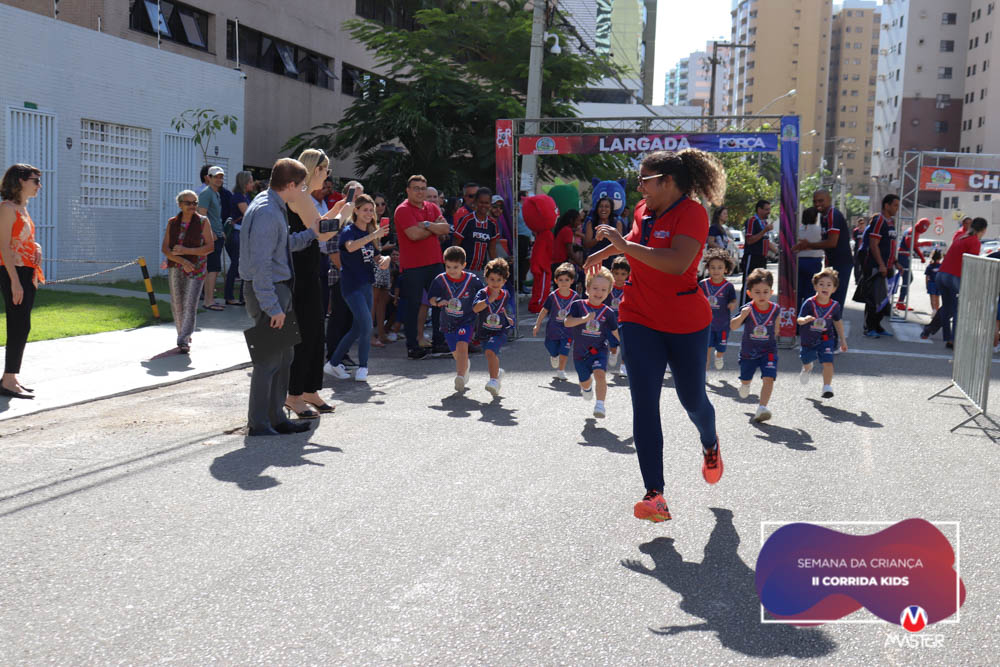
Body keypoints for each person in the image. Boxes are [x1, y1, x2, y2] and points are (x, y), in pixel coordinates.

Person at [583, 148, 725, 523]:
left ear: (669, 182)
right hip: (638, 315)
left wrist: (625, 246)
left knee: (691, 399)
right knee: (644, 402)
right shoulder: (643, 211)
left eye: (646, 179)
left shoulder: (693, 214)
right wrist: (601, 252)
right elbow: (631, 243)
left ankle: (709, 443)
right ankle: (654, 495)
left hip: (685, 321)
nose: (640, 186)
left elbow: (677, 262)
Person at [239, 157, 336, 436]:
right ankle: (260, 423)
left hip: (278, 289)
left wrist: (311, 234)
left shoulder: (270, 204)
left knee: (284, 357)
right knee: (269, 360)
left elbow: (283, 246)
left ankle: (276, 418)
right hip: (270, 292)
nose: (304, 191)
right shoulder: (268, 212)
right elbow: (261, 265)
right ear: (291, 184)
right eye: (302, 186)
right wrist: (272, 306)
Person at [325, 193, 391, 381]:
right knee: (367, 326)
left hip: (366, 285)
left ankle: (333, 363)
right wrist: (374, 235)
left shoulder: (371, 234)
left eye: (371, 210)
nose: (369, 213)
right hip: (351, 285)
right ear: (356, 211)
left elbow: (377, 257)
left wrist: (384, 260)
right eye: (365, 210)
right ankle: (363, 367)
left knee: (357, 328)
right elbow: (350, 247)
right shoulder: (349, 230)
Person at [0, 163, 45, 399]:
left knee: (23, 324)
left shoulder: (22, 208)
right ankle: (8, 380)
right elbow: (4, 247)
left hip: (26, 271)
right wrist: (15, 281)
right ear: (20, 181)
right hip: (13, 272)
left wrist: (36, 246)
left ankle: (11, 377)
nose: (39, 185)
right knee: (18, 324)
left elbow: (23, 238)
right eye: (35, 180)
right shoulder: (7, 208)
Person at [395, 175, 451, 359]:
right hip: (413, 266)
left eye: (422, 188)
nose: (420, 191)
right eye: (416, 188)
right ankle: (413, 346)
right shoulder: (402, 210)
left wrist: (426, 224)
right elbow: (413, 235)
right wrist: (434, 227)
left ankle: (439, 342)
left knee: (441, 302)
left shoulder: (432, 207)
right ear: (408, 190)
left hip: (435, 262)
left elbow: (446, 229)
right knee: (413, 307)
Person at [921, 217, 988, 348]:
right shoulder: (974, 241)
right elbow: (971, 264)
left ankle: (945, 336)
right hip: (955, 277)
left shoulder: (961, 237)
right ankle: (953, 339)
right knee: (957, 309)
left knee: (947, 308)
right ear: (984, 230)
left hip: (942, 274)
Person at [563, 266, 620, 419]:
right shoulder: (578, 305)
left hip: (599, 350)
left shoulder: (608, 313)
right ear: (587, 288)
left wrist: (628, 346)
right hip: (580, 353)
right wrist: (584, 319)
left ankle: (600, 405)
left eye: (603, 290)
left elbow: (615, 331)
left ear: (608, 292)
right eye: (595, 288)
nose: (598, 293)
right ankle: (586, 389)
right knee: (585, 382)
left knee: (600, 374)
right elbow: (567, 323)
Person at [161, 190, 214, 353]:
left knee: (190, 304)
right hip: (176, 266)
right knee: (177, 302)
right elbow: (166, 248)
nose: (192, 206)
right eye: (188, 203)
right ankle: (182, 333)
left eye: (195, 203)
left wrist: (186, 250)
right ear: (180, 204)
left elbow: (210, 247)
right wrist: (182, 261)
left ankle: (183, 339)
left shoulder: (203, 222)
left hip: (196, 268)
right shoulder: (172, 223)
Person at [428, 246, 484, 391]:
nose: (452, 270)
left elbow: (482, 294)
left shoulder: (472, 280)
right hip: (448, 321)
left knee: (462, 345)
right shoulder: (440, 280)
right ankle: (465, 366)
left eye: (456, 267)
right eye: (448, 266)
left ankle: (459, 376)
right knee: (455, 352)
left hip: (466, 320)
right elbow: (431, 298)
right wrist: (437, 301)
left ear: (463, 265)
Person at [731, 268, 779, 423]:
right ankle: (745, 384)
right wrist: (742, 316)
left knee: (769, 378)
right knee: (746, 380)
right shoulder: (747, 309)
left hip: (768, 351)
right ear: (750, 293)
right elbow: (732, 326)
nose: (761, 295)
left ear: (771, 292)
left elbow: (776, 330)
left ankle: (762, 407)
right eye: (757, 292)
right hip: (749, 352)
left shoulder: (775, 309)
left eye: (765, 291)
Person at [792, 190, 854, 309]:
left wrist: (808, 245)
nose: (817, 204)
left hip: (842, 263)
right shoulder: (824, 217)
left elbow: (832, 242)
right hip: (832, 263)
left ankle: (835, 327)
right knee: (828, 300)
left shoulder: (832, 214)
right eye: (815, 201)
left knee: (835, 301)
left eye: (821, 201)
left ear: (829, 200)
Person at [797, 268, 848, 398]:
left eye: (829, 285)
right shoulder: (809, 303)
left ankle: (827, 387)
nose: (825, 287)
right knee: (806, 360)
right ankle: (807, 368)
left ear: (834, 289)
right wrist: (805, 320)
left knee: (828, 362)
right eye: (821, 284)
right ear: (815, 286)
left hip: (826, 338)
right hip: (808, 339)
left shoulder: (835, 306)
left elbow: (837, 322)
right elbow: (799, 319)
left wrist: (842, 340)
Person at [858, 194, 901, 338]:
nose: (897, 208)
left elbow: (890, 245)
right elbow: (873, 244)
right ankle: (868, 328)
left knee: (883, 300)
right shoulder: (879, 221)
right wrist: (881, 265)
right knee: (872, 299)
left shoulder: (891, 222)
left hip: (888, 267)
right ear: (886, 205)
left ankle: (877, 326)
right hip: (876, 267)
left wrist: (895, 262)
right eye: (895, 205)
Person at [471, 257, 514, 396]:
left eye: (499, 280)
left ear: (504, 281)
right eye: (492, 279)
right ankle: (497, 374)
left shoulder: (505, 294)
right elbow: (476, 309)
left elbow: (501, 308)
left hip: (499, 331)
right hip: (484, 331)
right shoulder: (482, 293)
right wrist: (488, 300)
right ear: (486, 279)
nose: (495, 283)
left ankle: (493, 380)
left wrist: (507, 317)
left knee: (490, 352)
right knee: (490, 354)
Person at [532, 262, 578, 381]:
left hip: (568, 330)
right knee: (551, 347)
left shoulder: (576, 297)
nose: (564, 282)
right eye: (561, 279)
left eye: (567, 279)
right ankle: (554, 356)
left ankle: (561, 371)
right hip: (553, 329)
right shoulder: (552, 296)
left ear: (572, 281)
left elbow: (579, 314)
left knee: (565, 350)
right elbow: (544, 311)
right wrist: (537, 325)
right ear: (556, 281)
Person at [700, 248, 737, 371]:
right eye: (713, 267)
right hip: (706, 325)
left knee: (721, 349)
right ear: (708, 268)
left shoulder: (728, 287)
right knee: (706, 351)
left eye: (720, 267)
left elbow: (733, 300)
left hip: (723, 325)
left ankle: (719, 357)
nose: (716, 270)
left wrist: (732, 304)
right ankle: (704, 374)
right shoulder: (703, 284)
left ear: (726, 269)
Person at [197, 166, 227, 311]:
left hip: (218, 235)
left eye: (221, 177)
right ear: (208, 178)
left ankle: (210, 299)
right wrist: (211, 234)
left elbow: (215, 216)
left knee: (213, 269)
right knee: (212, 269)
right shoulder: (206, 193)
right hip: (212, 238)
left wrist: (221, 232)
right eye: (216, 177)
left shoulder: (216, 194)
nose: (219, 179)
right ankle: (208, 301)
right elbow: (201, 216)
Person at [452, 187, 499, 275]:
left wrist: (496, 268)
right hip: (464, 269)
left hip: (482, 271)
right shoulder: (467, 220)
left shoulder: (492, 224)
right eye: (481, 202)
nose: (483, 205)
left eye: (486, 203)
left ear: (490, 204)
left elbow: (492, 250)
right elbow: (456, 244)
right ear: (476, 202)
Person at [225, 171, 253, 306]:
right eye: (250, 182)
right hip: (236, 234)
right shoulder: (238, 197)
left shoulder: (245, 195)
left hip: (242, 234)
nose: (252, 184)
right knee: (236, 265)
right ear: (245, 183)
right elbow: (248, 214)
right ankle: (229, 296)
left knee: (242, 265)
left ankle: (243, 297)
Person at [739, 199, 773, 306]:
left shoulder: (764, 223)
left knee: (761, 285)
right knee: (748, 284)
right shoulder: (752, 221)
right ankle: (743, 310)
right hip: (752, 257)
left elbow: (766, 241)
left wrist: (778, 251)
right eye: (766, 209)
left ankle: (756, 309)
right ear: (759, 209)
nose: (769, 212)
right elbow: (749, 240)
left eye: (769, 209)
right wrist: (764, 231)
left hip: (762, 258)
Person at [895, 218, 930, 311]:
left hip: (904, 255)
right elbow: (911, 244)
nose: (925, 229)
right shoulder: (912, 231)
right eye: (924, 226)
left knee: (907, 279)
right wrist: (923, 248)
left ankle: (900, 301)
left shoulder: (913, 231)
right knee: (907, 279)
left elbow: (912, 245)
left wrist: (921, 255)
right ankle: (900, 302)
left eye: (926, 227)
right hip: (903, 256)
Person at [795, 206, 825, 309]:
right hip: (814, 262)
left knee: (798, 292)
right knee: (811, 292)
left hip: (799, 261)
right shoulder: (819, 230)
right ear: (816, 217)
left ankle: (797, 317)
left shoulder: (798, 230)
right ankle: (807, 315)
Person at [583, 198, 624, 269]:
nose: (603, 209)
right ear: (597, 208)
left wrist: (610, 236)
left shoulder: (617, 223)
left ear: (611, 209)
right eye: (601, 206)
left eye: (607, 206)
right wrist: (597, 238)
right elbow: (586, 244)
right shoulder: (590, 223)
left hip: (612, 261)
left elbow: (621, 245)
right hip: (595, 260)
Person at [608, 255, 630, 375]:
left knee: (626, 344)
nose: (619, 277)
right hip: (611, 321)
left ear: (628, 274)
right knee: (613, 345)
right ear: (612, 273)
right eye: (616, 273)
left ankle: (623, 365)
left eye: (623, 274)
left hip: (625, 320)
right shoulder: (608, 287)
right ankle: (613, 351)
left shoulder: (629, 287)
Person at [551, 210, 580, 278]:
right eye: (577, 220)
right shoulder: (567, 230)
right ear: (571, 220)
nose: (579, 223)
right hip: (560, 264)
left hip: (556, 263)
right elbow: (570, 252)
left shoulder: (564, 229)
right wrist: (581, 264)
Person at [926, 249, 943, 314]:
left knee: (932, 299)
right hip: (939, 284)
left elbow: (927, 276)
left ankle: (934, 311)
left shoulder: (930, 266)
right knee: (937, 298)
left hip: (931, 283)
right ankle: (937, 311)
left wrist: (927, 285)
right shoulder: (941, 266)